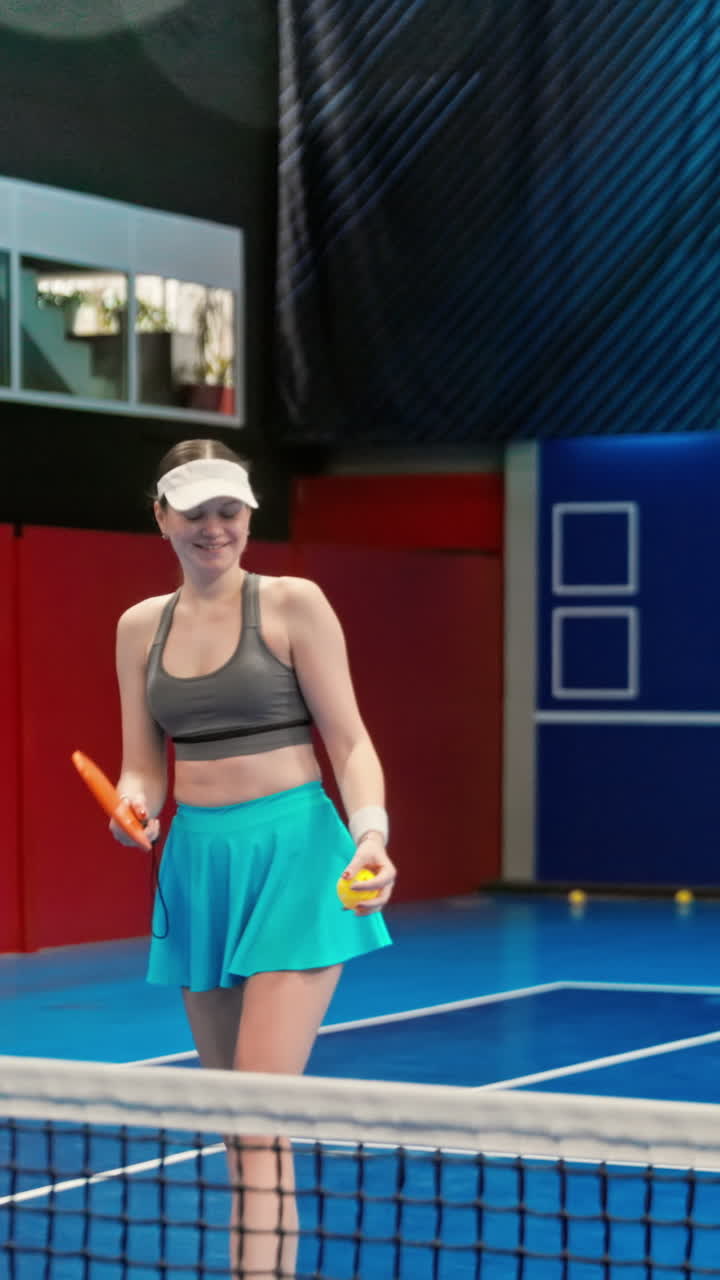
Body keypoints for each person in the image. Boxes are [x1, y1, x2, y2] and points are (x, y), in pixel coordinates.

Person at [111, 438, 396, 1279]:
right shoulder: (137, 628)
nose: (213, 527)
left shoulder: (293, 603)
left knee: (258, 1113)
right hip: (198, 870)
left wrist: (373, 833)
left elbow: (350, 743)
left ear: (248, 515)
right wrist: (136, 810)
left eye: (227, 509)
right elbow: (140, 762)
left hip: (301, 863)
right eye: (193, 511)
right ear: (161, 517)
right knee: (237, 1122)